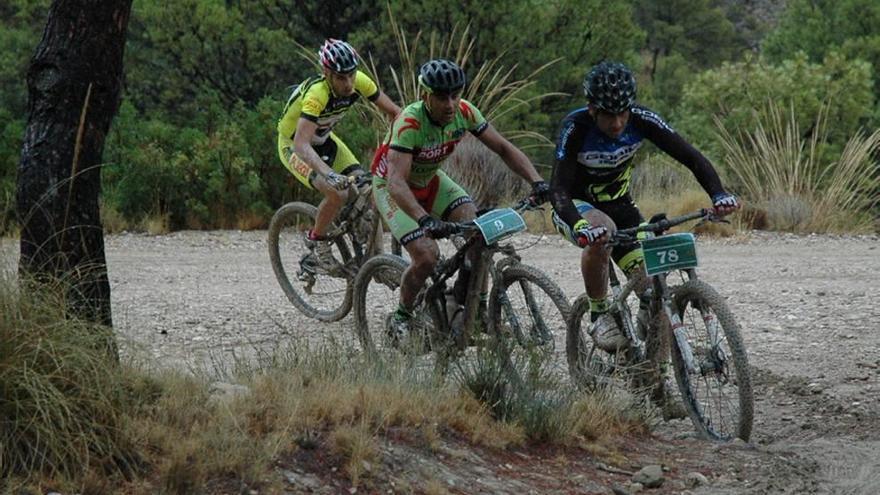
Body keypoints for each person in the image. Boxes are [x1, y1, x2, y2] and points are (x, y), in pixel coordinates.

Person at [548, 61, 739, 413]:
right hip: (575, 207)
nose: (618, 123)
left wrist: (718, 194)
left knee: (653, 290)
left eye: (622, 113)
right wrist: (578, 224)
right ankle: (598, 313)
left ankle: (652, 383)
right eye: (608, 115)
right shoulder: (575, 127)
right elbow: (557, 188)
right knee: (600, 232)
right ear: (592, 109)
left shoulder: (642, 119)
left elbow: (691, 157)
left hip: (621, 207)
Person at [371, 58, 550, 344]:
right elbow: (395, 182)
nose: (451, 104)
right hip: (394, 188)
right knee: (427, 256)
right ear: (425, 96)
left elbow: (503, 148)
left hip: (431, 180)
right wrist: (424, 219)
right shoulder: (409, 123)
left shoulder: (464, 112)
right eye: (442, 97)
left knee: (478, 231)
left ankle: (468, 307)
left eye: (456, 94)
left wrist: (536, 181)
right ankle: (401, 317)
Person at [277, 39, 399, 266]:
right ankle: (318, 241)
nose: (349, 83)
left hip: (325, 139)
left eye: (351, 75)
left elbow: (395, 112)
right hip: (293, 145)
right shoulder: (317, 94)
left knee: (369, 189)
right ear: (326, 73)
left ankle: (375, 260)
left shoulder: (359, 81)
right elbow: (302, 146)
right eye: (341, 78)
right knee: (337, 193)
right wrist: (329, 174)